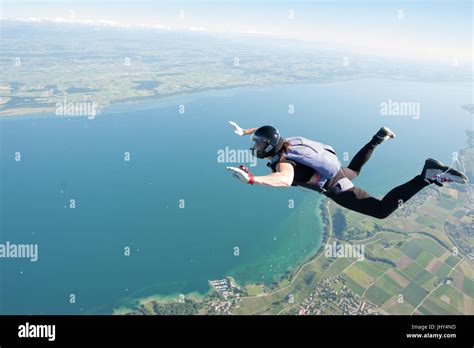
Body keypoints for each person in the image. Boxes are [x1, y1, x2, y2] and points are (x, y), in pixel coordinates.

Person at [226, 122, 468, 219]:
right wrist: (246, 131)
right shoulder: (288, 142)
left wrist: (251, 179)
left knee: (382, 210)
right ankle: (378, 137)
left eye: (257, 143)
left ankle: (426, 176)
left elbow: (283, 178)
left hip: (337, 188)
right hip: (337, 173)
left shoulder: (284, 162)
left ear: (269, 145)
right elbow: (267, 129)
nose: (254, 147)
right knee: (354, 170)